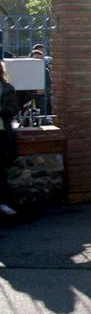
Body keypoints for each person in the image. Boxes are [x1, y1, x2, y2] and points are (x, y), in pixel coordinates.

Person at [0, 61, 19, 216]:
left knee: (1, 171)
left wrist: (1, 110)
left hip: (2, 133)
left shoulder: (7, 89)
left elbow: (13, 109)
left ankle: (3, 202)